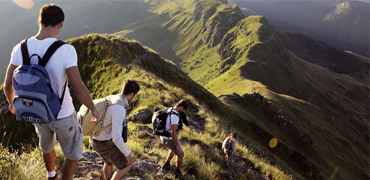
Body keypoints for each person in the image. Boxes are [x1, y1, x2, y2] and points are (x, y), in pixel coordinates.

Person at [3, 4, 99, 180]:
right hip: (63, 114)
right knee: (73, 154)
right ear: (60, 25)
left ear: (39, 21)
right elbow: (78, 88)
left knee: (46, 147)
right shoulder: (66, 50)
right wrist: (92, 108)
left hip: (37, 111)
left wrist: (12, 104)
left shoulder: (20, 48)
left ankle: (51, 175)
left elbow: (7, 84)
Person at [92, 79, 140, 180]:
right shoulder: (119, 108)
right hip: (104, 143)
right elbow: (116, 137)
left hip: (95, 139)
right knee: (127, 164)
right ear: (131, 94)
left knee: (108, 161)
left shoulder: (112, 97)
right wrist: (128, 156)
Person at [161, 99, 189, 177]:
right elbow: (173, 132)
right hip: (168, 138)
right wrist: (177, 144)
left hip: (163, 135)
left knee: (173, 150)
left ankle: (167, 164)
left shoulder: (169, 109)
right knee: (181, 154)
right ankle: (177, 172)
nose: (184, 111)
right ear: (182, 107)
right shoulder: (175, 116)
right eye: (184, 109)